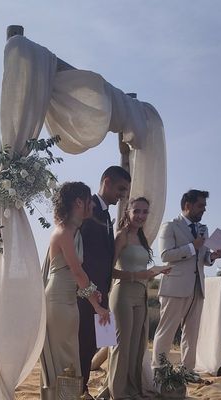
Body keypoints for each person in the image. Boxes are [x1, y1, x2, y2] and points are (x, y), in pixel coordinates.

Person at [40, 182, 110, 400]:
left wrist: (90, 293)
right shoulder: (63, 233)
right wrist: (97, 305)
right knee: (64, 360)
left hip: (69, 302)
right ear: (79, 202)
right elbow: (77, 272)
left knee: (70, 357)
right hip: (58, 304)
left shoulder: (74, 232)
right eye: (90, 201)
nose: (92, 206)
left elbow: (75, 277)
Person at [151, 190, 221, 371]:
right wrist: (193, 246)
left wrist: (213, 256)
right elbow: (165, 255)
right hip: (175, 287)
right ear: (188, 205)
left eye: (205, 207)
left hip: (197, 288)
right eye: (201, 206)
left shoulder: (203, 229)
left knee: (192, 334)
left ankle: (187, 372)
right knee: (166, 332)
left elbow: (204, 258)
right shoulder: (170, 226)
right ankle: (159, 373)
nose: (204, 210)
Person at [108, 197, 170, 400]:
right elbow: (109, 271)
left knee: (137, 346)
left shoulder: (143, 238)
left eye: (145, 212)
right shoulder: (121, 236)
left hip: (141, 295)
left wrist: (157, 271)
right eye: (137, 211)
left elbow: (143, 269)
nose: (141, 216)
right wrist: (137, 276)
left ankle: (133, 390)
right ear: (128, 212)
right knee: (121, 345)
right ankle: (118, 393)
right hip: (123, 293)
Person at [78, 166, 131, 398]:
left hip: (102, 292)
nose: (122, 195)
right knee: (85, 342)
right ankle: (80, 390)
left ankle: (85, 385)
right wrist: (89, 290)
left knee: (98, 342)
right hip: (86, 293)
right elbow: (82, 255)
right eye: (121, 189)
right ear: (107, 182)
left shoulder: (107, 214)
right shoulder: (88, 210)